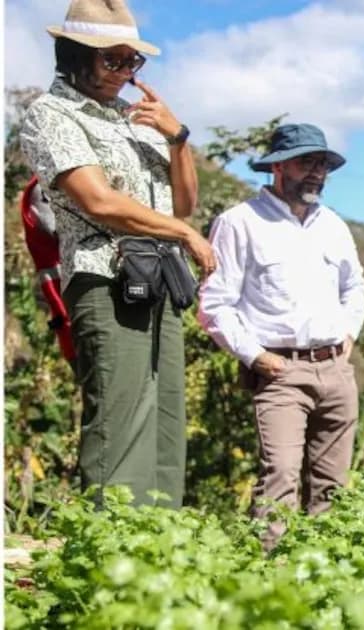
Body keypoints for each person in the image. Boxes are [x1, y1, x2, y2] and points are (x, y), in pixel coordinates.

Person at [18, 0, 216, 508]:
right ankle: (109, 546)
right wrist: (184, 234)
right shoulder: (51, 115)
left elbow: (183, 204)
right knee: (120, 425)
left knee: (166, 426)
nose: (125, 72)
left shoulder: (136, 120)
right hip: (105, 278)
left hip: (159, 279)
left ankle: (162, 543)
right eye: (113, 60)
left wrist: (178, 139)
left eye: (133, 62)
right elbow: (99, 202)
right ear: (74, 54)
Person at [198, 123, 364, 550]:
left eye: (323, 165)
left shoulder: (334, 225)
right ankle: (267, 571)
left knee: (333, 485)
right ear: (277, 167)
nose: (316, 173)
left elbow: (355, 288)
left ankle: (324, 569)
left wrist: (348, 334)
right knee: (280, 475)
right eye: (306, 163)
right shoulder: (239, 222)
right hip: (280, 371)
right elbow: (215, 303)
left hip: (336, 370)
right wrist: (255, 356)